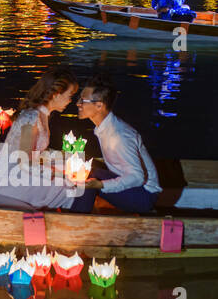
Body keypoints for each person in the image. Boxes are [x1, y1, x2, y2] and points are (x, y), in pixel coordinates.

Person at [0, 68, 82, 210]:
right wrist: (56, 172)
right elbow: (24, 161)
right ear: (56, 94)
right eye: (69, 95)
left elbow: (36, 151)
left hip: (23, 169)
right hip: (10, 177)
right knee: (67, 186)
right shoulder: (31, 117)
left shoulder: (43, 115)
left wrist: (62, 157)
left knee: (69, 178)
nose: (70, 101)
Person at [67, 78, 162, 214]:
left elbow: (137, 177)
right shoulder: (106, 127)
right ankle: (76, 211)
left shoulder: (119, 135)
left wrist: (101, 184)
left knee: (87, 178)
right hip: (135, 188)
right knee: (85, 168)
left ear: (99, 105)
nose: (78, 104)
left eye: (82, 100)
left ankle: (77, 219)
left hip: (144, 196)